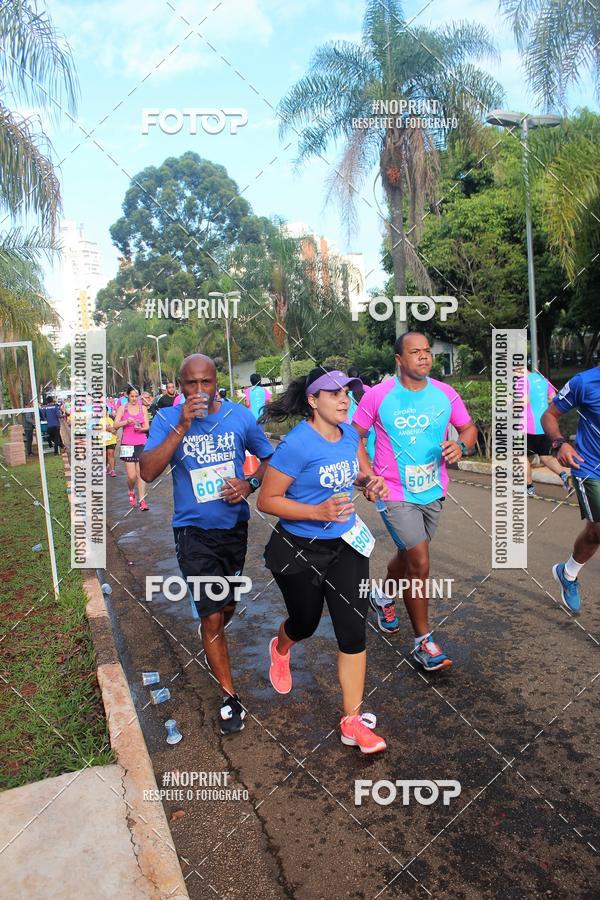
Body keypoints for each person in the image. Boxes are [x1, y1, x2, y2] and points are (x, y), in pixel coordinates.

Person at [140, 354, 274, 736]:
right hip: (192, 531)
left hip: (233, 528)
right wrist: (182, 425)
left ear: (218, 382)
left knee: (226, 605)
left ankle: (212, 635)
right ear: (180, 386)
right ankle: (230, 697)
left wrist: (250, 483)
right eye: (190, 384)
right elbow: (148, 471)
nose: (199, 391)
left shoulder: (239, 417)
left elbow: (268, 457)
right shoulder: (167, 419)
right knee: (212, 615)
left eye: (206, 383)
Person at [257, 368, 389, 754]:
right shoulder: (297, 445)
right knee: (306, 623)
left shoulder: (350, 434)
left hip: (346, 543)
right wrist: (317, 512)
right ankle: (280, 647)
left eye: (347, 391)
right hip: (300, 549)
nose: (344, 398)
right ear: (313, 401)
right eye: (333, 393)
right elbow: (267, 501)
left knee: (353, 630)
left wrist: (370, 484)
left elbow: (362, 474)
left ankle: (353, 721)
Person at [352, 332, 477, 670]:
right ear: (398, 359)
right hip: (393, 490)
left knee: (408, 556)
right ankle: (423, 642)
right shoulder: (377, 396)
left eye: (427, 351)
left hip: (433, 490)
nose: (424, 357)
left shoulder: (445, 394)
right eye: (415, 352)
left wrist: (462, 445)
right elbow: (355, 436)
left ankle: (380, 597)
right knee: (420, 562)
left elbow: (468, 429)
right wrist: (366, 475)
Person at [542, 365, 600, 614]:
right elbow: (549, 416)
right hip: (590, 468)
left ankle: (568, 573)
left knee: (595, 533)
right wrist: (559, 443)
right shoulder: (584, 383)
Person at [520, 368, 570, 497]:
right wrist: (540, 403)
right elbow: (553, 399)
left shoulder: (521, 381)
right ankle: (563, 475)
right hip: (544, 425)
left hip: (527, 426)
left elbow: (524, 402)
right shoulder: (543, 379)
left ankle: (529, 488)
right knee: (545, 456)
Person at [113, 387, 149, 509]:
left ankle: (142, 500)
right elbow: (115, 425)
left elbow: (147, 427)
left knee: (141, 474)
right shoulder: (123, 409)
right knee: (132, 476)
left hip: (141, 443)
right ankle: (131, 490)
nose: (134, 398)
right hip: (127, 444)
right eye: (132, 396)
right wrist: (126, 422)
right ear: (127, 396)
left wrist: (141, 429)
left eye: (136, 396)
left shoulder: (143, 408)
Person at [99, 403, 117, 476]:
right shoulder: (98, 420)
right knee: (105, 455)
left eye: (105, 411)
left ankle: (112, 470)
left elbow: (115, 428)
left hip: (111, 439)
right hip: (102, 440)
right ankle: (105, 467)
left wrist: (113, 432)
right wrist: (108, 428)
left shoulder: (111, 418)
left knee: (111, 454)